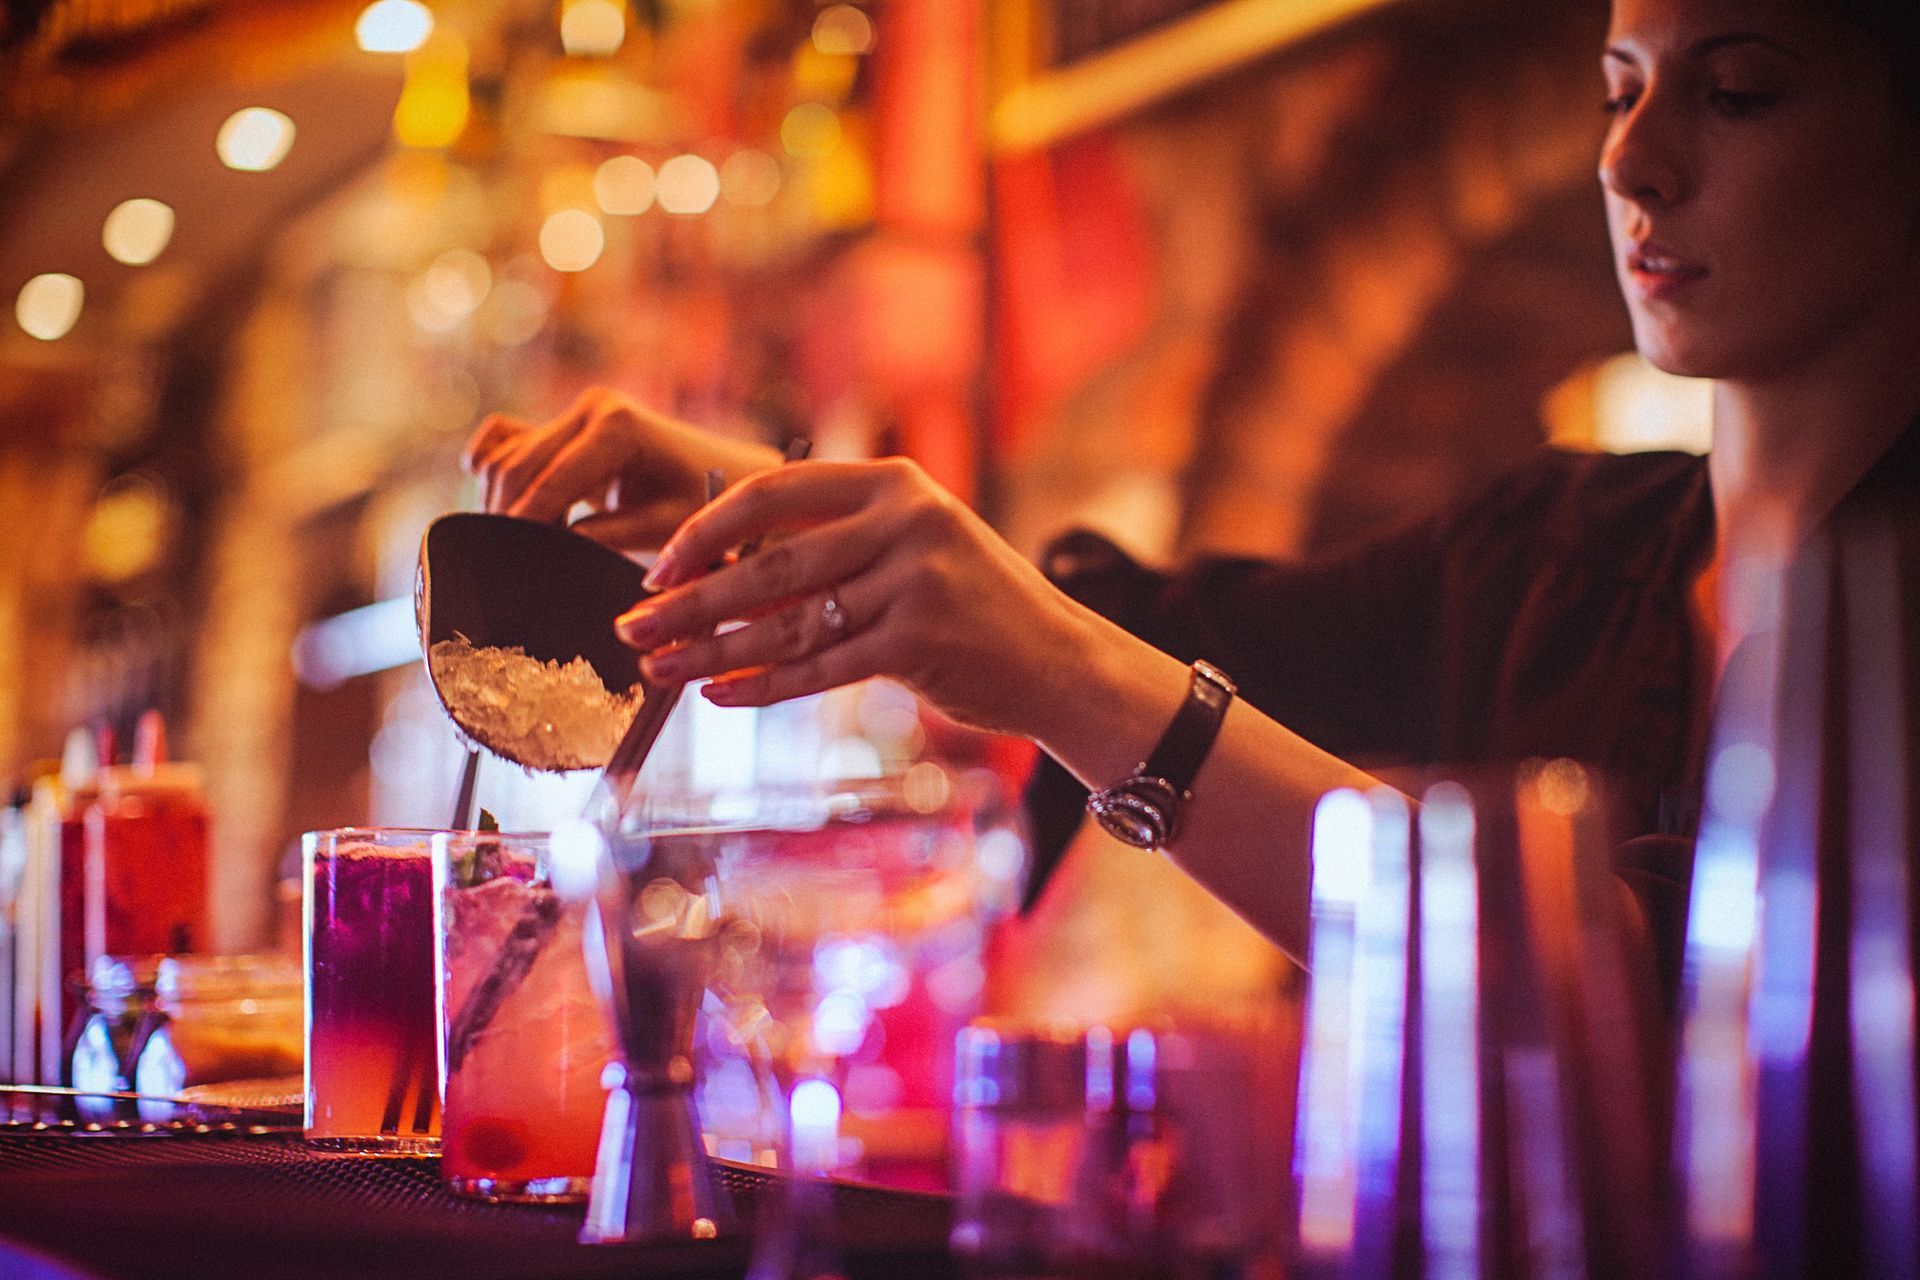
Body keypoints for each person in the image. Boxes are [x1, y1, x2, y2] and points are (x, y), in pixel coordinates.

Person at [464, 0, 1920, 972]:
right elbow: (1172, 624)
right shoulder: (1561, 544)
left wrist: (1061, 671)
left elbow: (1645, 985)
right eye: (1617, 89)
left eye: (1735, 93)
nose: (1634, 157)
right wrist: (785, 510)